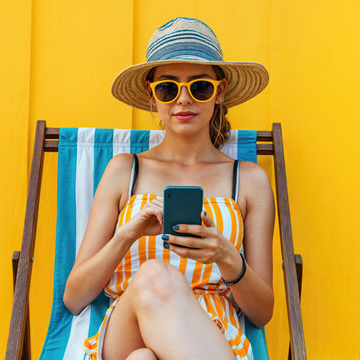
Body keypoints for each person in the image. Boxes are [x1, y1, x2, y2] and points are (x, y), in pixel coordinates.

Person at [63, 17, 274, 360]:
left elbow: (261, 313)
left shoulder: (249, 180)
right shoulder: (124, 171)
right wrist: (127, 235)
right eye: (168, 88)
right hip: (126, 326)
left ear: (219, 93)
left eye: (200, 87)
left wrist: (226, 257)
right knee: (155, 275)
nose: (183, 100)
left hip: (212, 332)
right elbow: (74, 297)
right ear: (152, 95)